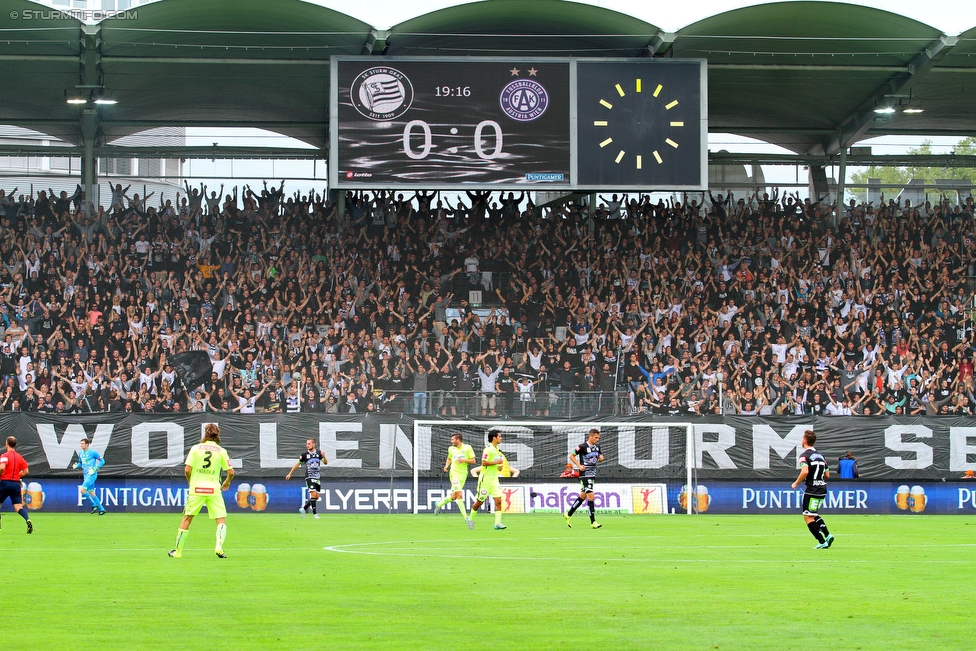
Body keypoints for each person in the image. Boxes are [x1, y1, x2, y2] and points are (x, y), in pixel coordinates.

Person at [169, 423, 234, 559]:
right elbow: (231, 472)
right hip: (214, 489)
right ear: (218, 434)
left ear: (205, 433)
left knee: (187, 518)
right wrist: (227, 482)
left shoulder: (196, 448)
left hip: (197, 488)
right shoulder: (221, 451)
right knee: (220, 520)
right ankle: (219, 547)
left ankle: (178, 551)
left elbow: (187, 469)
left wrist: (190, 481)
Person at [791, 430, 834, 549]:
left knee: (807, 516)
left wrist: (796, 483)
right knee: (813, 514)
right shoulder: (821, 456)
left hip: (812, 489)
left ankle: (821, 541)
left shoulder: (804, 456)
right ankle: (828, 535)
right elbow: (827, 475)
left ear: (804, 441)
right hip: (822, 488)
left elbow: (805, 471)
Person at [433, 431, 476, 529]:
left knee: (454, 496)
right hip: (454, 474)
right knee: (460, 494)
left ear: (458, 440)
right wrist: (446, 466)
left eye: (453, 439)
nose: (451, 441)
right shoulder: (451, 449)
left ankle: (439, 504)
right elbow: (449, 458)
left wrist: (464, 460)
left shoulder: (467, 448)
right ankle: (467, 519)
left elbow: (473, 460)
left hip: (463, 474)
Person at [564, 428, 604, 529]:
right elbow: (572, 456)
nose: (597, 439)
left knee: (583, 496)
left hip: (592, 474)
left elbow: (598, 457)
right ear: (590, 436)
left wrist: (601, 459)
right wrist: (579, 465)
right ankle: (593, 522)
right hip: (584, 474)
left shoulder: (597, 446)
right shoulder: (582, 447)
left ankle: (568, 514)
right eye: (596, 437)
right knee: (591, 496)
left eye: (598, 438)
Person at [469, 429, 507, 530]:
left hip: (494, 480)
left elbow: (496, 464)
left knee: (498, 500)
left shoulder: (497, 449)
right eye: (499, 436)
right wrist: (497, 462)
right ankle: (470, 518)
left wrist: (499, 466)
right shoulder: (488, 449)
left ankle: (497, 523)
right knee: (479, 502)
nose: (501, 438)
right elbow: (484, 463)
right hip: (485, 480)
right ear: (494, 438)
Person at [285, 438, 328, 519]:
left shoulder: (319, 453)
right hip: (309, 476)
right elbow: (297, 464)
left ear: (313, 444)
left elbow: (325, 463)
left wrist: (324, 456)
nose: (307, 445)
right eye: (307, 444)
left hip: (317, 477)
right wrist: (290, 473)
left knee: (316, 497)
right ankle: (315, 514)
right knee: (313, 494)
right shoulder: (304, 455)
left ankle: (304, 508)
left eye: (309, 444)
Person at [0, 436, 32, 534]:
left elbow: (2, 467)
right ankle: (27, 519)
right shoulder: (19, 457)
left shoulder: (5, 456)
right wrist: (16, 475)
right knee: (18, 507)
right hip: (15, 484)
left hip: (4, 483)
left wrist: (1, 474)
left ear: (6, 443)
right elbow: (26, 471)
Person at [73, 437, 106, 514]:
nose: (81, 445)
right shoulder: (81, 453)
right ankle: (102, 509)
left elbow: (102, 461)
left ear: (87, 444)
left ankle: (94, 505)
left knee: (82, 490)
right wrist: (76, 466)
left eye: (82, 444)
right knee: (91, 492)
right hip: (85, 474)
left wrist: (95, 468)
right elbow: (80, 463)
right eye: (80, 444)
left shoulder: (93, 453)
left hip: (91, 474)